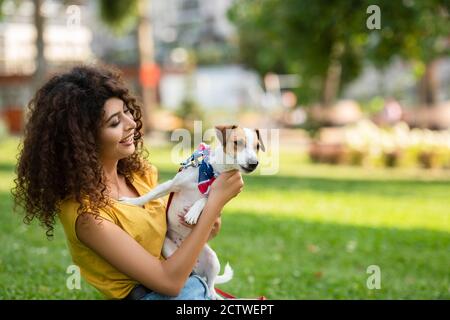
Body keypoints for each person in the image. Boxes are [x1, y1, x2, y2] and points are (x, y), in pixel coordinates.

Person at [12, 65, 244, 300]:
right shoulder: (87, 216)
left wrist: (204, 223)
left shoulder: (140, 175)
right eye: (114, 122)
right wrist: (215, 201)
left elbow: (179, 236)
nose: (131, 123)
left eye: (126, 111)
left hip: (194, 287)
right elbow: (169, 283)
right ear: (84, 140)